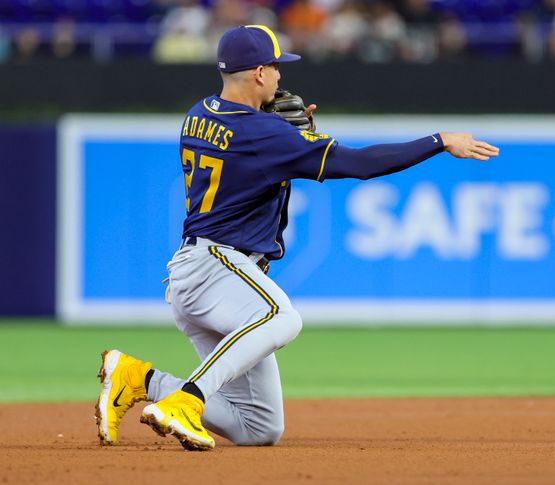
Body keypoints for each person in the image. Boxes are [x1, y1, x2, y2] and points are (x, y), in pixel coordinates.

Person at [95, 24, 499, 450]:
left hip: (199, 274)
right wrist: (438, 141)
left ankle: (139, 379)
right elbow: (358, 164)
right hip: (218, 267)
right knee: (283, 318)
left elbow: (250, 159)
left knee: (260, 428)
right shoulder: (264, 134)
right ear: (257, 74)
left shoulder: (199, 113)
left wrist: (290, 138)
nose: (280, 76)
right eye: (275, 67)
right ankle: (187, 401)